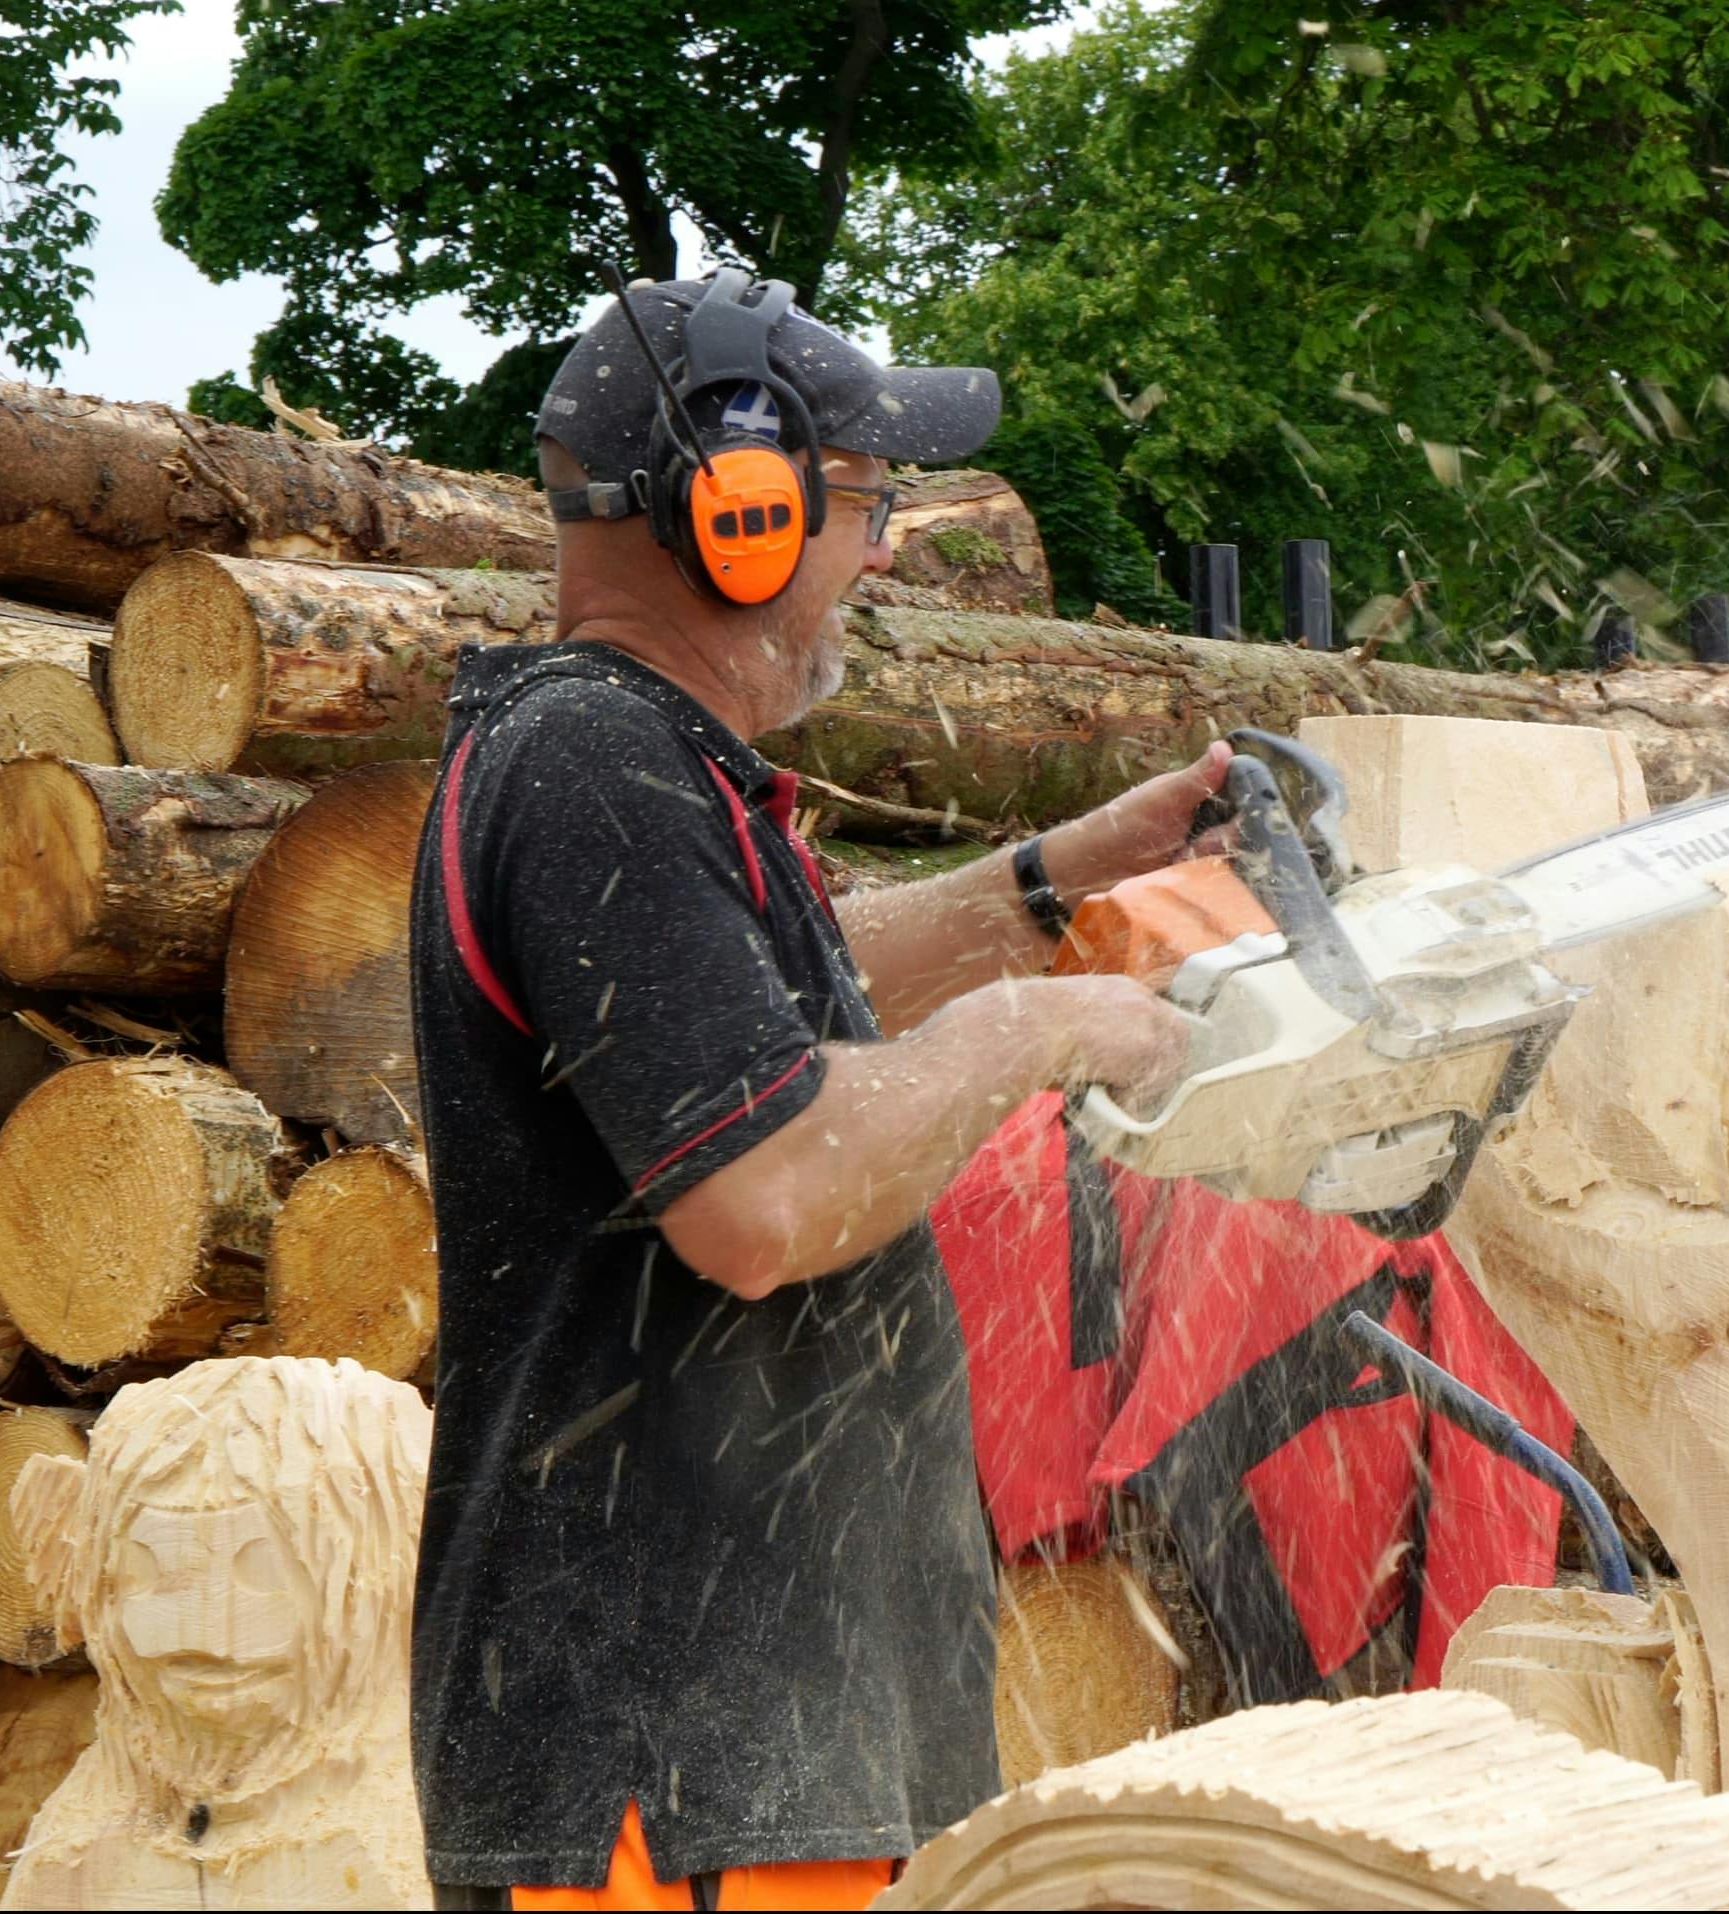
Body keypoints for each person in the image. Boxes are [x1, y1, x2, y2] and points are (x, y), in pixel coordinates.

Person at [408, 269, 1211, 1911]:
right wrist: (1035, 1036)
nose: (884, 548)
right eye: (861, 504)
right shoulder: (591, 768)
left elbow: (758, 1002)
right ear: (738, 518)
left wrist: (1053, 885)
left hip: (747, 1761)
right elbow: (760, 1197)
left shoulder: (633, 761)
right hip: (673, 1773)